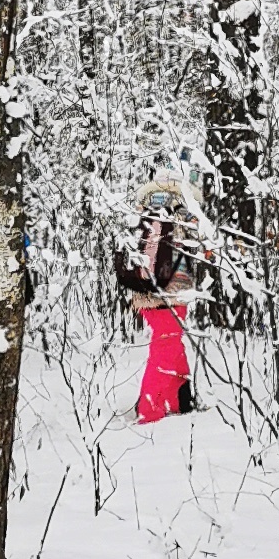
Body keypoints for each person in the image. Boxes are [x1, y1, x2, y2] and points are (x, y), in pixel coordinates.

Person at [116, 168, 207, 425]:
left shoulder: (143, 207)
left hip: (148, 287)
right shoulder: (184, 206)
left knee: (171, 344)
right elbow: (196, 238)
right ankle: (150, 408)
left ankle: (179, 400)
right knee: (166, 347)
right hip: (170, 291)